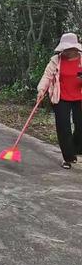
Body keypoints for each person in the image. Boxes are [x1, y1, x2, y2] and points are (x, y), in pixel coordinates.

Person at [37, 32, 82, 169]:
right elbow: (47, 76)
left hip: (79, 97)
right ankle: (68, 157)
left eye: (70, 49)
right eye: (65, 49)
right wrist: (41, 90)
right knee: (63, 127)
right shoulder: (56, 60)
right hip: (61, 97)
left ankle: (75, 148)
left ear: (76, 48)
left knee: (80, 125)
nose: (67, 52)